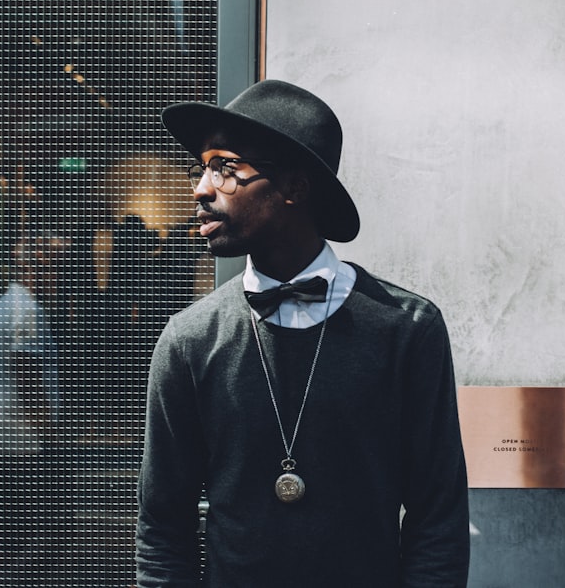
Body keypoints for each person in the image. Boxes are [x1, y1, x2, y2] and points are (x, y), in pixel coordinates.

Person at [136, 79, 470, 587]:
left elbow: (437, 519)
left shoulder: (406, 329)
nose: (201, 188)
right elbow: (163, 528)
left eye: (225, 167)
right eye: (202, 167)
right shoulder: (189, 341)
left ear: (294, 187)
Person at [0, 231, 68, 584]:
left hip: (1, 434)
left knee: (12, 533)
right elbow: (28, 379)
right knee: (35, 540)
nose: (59, 279)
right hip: (24, 441)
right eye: (54, 269)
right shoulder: (26, 312)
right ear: (34, 267)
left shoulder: (3, 306)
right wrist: (51, 433)